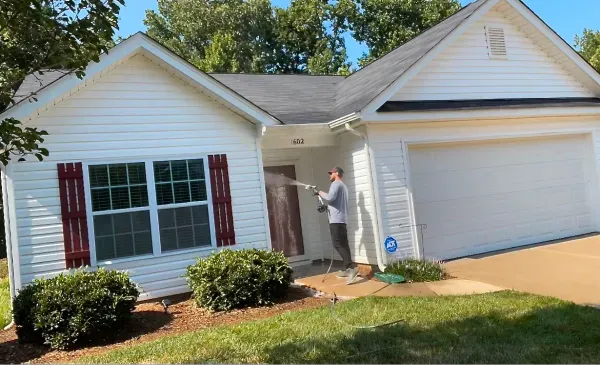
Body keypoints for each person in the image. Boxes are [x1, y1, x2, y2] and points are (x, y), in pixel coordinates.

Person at [317, 167, 358, 284]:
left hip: (336, 220)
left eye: (331, 173)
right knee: (344, 244)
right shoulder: (343, 186)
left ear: (336, 174)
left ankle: (351, 268)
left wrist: (319, 192)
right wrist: (326, 207)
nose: (330, 175)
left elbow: (330, 197)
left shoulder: (336, 184)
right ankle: (347, 268)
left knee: (337, 244)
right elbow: (336, 202)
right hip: (342, 219)